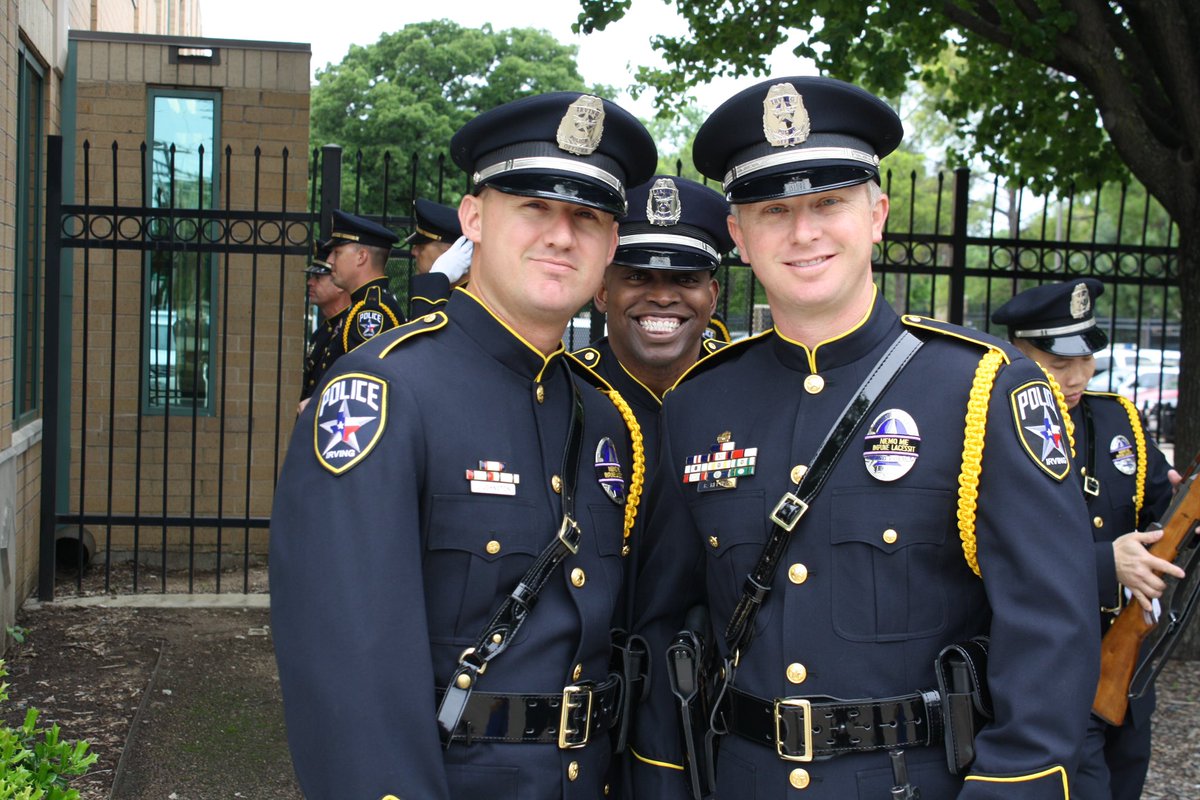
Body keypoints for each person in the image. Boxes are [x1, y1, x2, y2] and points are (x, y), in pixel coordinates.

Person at [629, 76, 1100, 799]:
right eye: (774, 210)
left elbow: (1051, 634)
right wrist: (663, 780)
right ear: (738, 237)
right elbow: (663, 623)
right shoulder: (697, 403)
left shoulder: (981, 389)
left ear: (876, 214)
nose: (804, 232)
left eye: (829, 203)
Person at [270, 91, 657, 800]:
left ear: (610, 245)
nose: (562, 236)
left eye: (588, 217)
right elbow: (347, 667)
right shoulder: (386, 394)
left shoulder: (604, 418)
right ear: (474, 217)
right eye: (534, 207)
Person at [993, 278, 1184, 800]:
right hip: (1048, 668)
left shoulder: (1118, 419)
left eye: (1086, 359)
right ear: (1019, 357)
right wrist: (1105, 564)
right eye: (1058, 365)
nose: (1079, 377)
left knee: (1126, 781)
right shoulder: (994, 426)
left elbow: (1159, 512)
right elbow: (993, 550)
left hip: (1126, 662)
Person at [574, 174, 731, 479]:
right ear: (603, 292)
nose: (661, 297)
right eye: (637, 276)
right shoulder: (567, 392)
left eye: (685, 278)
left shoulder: (748, 387)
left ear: (711, 298)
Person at [324, 208, 407, 354]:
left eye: (337, 253)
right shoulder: (361, 304)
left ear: (361, 257)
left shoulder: (372, 311)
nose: (330, 260)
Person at [298, 244, 350, 411]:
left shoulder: (350, 327)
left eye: (318, 277)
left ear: (339, 284)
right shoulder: (322, 332)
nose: (310, 283)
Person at [407, 197, 474, 317]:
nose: (414, 252)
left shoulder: (471, 300)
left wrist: (433, 283)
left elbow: (426, 332)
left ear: (450, 253)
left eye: (421, 247)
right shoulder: (451, 294)